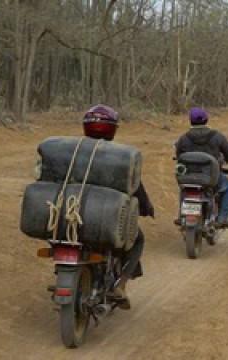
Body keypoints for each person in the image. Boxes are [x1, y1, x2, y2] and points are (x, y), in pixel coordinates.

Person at [83, 104, 154, 310]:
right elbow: (136, 187)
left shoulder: (73, 152)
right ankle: (121, 285)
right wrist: (146, 206)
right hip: (107, 217)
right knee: (138, 239)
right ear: (112, 129)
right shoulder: (120, 158)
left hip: (75, 216)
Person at [175, 108, 228, 229]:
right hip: (211, 178)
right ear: (206, 119)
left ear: (190, 121)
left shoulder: (183, 138)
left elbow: (179, 157)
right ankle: (222, 218)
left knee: (185, 189)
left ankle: (181, 215)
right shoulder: (217, 136)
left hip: (190, 176)